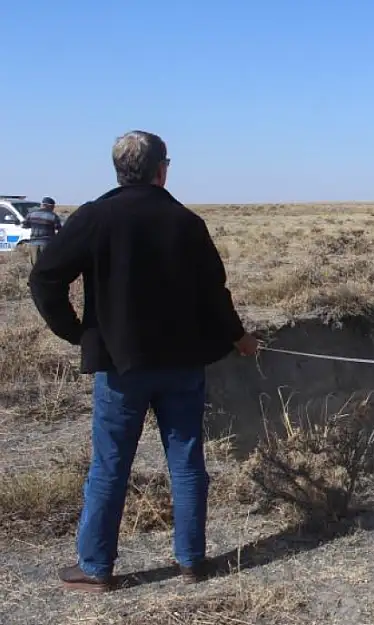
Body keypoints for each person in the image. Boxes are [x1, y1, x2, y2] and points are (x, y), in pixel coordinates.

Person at [27, 130, 259, 593]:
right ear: (161, 169)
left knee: (110, 466)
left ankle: (96, 568)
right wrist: (239, 338)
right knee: (187, 462)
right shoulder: (186, 222)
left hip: (120, 367)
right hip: (182, 367)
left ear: (118, 169)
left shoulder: (95, 217)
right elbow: (215, 294)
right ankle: (192, 561)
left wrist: (78, 333)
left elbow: (44, 278)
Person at [22, 196, 64, 265]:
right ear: (50, 206)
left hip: (33, 244)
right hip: (47, 244)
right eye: (53, 207)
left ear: (42, 205)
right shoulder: (53, 216)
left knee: (35, 266)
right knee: (46, 265)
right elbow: (60, 230)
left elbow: (25, 225)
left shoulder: (31, 214)